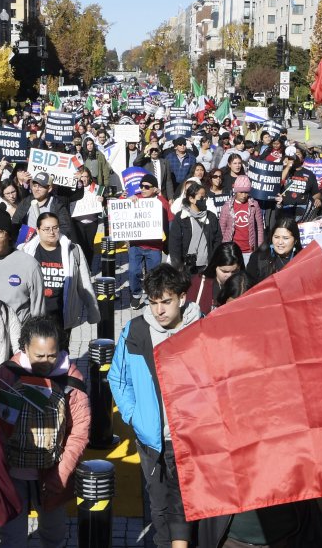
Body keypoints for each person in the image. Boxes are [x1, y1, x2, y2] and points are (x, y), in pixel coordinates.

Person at [109, 264, 202, 548]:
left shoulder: (201, 329)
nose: (160, 310)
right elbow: (118, 378)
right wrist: (134, 415)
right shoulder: (135, 331)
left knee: (184, 504)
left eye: (166, 301)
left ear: (182, 298)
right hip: (150, 439)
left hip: (188, 438)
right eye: (154, 302)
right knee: (157, 504)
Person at [0, 317, 90, 548]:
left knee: (54, 532)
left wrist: (60, 475)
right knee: (12, 536)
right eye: (38, 356)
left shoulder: (71, 381)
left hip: (53, 472)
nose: (46, 362)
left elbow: (79, 432)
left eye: (51, 355)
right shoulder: (6, 374)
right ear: (24, 348)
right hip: (12, 473)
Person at [19, 212, 98, 349]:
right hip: (35, 315)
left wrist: (93, 311)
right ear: (38, 230)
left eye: (55, 228)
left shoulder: (73, 250)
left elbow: (84, 283)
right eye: (46, 229)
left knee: (61, 354)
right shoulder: (25, 251)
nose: (52, 232)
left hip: (62, 315)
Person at [127, 173, 174, 309]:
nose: (143, 189)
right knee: (133, 271)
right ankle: (136, 294)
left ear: (155, 189)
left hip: (154, 246)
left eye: (147, 187)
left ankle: (150, 295)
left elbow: (170, 221)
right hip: (136, 244)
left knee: (152, 274)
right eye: (141, 186)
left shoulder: (162, 202)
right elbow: (120, 207)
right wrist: (128, 200)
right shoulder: (135, 198)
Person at [169, 181, 222, 278]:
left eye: (205, 197)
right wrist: (178, 267)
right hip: (187, 268)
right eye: (201, 197)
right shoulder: (181, 217)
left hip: (207, 266)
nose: (204, 199)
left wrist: (213, 260)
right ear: (191, 199)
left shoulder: (211, 217)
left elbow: (218, 239)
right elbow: (174, 244)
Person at [11, 173, 78, 244]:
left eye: (40, 186)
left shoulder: (57, 205)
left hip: (49, 244)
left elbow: (65, 228)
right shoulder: (26, 202)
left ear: (49, 189)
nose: (36, 189)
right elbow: (15, 221)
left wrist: (52, 240)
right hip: (27, 243)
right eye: (34, 186)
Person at [188, 243, 246, 315]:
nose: (230, 276)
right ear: (215, 266)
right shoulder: (199, 283)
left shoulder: (246, 284)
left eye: (235, 271)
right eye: (224, 271)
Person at [219, 176, 265, 262]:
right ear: (236, 191)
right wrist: (223, 248)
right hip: (232, 250)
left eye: (246, 192)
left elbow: (260, 228)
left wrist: (260, 248)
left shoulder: (254, 205)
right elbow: (222, 228)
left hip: (249, 250)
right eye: (241, 192)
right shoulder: (227, 206)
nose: (244, 195)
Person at [246, 215, 300, 283]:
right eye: (276, 237)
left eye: (285, 238)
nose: (280, 242)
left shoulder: (304, 259)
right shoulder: (258, 258)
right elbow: (248, 287)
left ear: (295, 240)